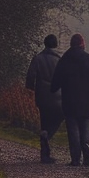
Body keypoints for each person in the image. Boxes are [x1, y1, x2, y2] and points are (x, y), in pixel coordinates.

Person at [50, 33, 89, 167]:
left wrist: (54, 88)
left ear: (71, 44)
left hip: (69, 101)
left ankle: (75, 159)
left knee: (73, 131)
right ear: (82, 44)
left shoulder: (64, 60)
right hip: (87, 102)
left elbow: (55, 84)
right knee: (85, 130)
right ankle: (87, 153)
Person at [24, 34, 64, 163]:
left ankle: (44, 154)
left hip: (42, 95)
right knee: (60, 116)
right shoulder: (59, 59)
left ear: (45, 44)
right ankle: (47, 136)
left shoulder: (38, 58)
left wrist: (32, 88)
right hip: (58, 95)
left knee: (44, 121)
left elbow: (30, 76)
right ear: (56, 44)